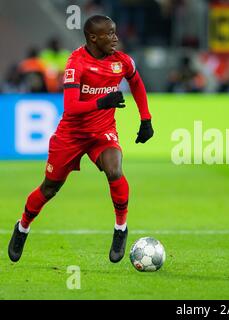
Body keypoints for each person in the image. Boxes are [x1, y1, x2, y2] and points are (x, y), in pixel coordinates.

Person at [8, 15, 154, 263]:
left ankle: (121, 228)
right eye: (109, 34)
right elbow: (71, 106)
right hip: (71, 135)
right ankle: (22, 227)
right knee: (50, 188)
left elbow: (137, 83)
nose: (115, 38)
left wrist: (146, 119)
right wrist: (103, 101)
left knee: (115, 170)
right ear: (93, 38)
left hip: (102, 132)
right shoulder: (76, 63)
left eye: (115, 32)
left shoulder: (122, 61)